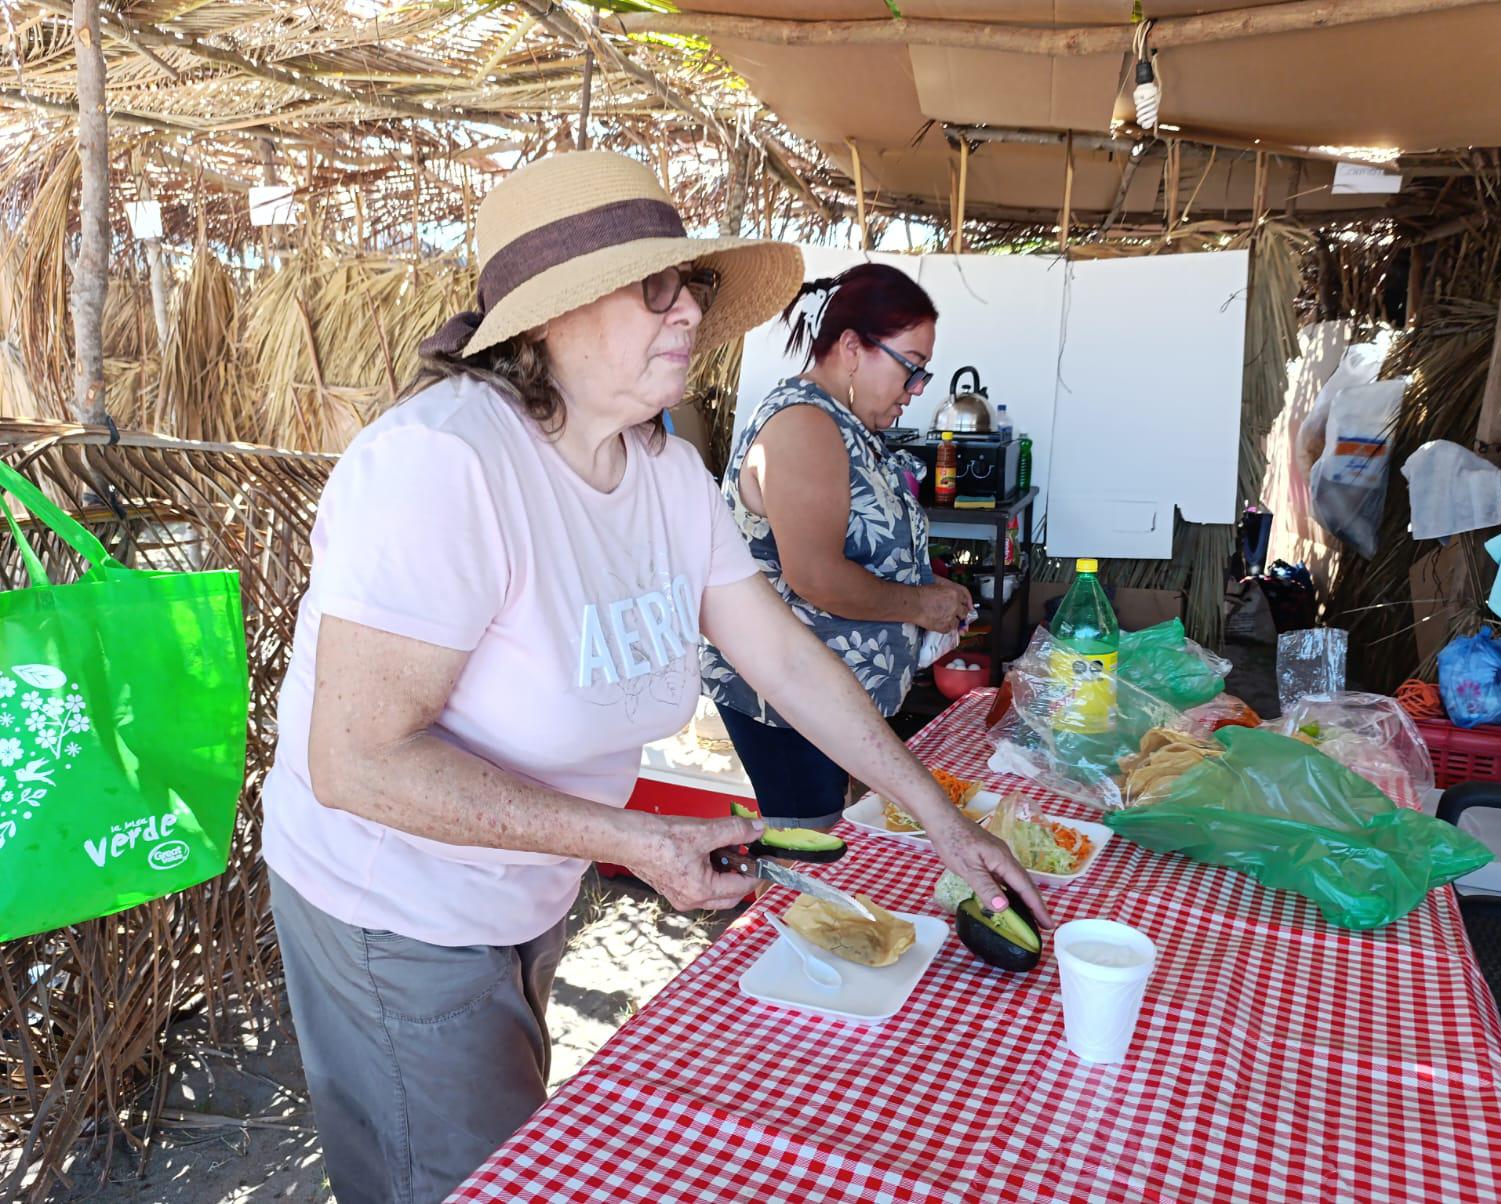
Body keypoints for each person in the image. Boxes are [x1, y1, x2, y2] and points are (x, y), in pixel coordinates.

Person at [260, 152, 1047, 1204]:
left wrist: (938, 817)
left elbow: (778, 652)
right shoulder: (444, 463)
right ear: (547, 318)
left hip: (524, 880)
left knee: (501, 1146)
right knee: (456, 1179)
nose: (687, 312)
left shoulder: (665, 469)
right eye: (654, 288)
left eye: (690, 287)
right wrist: (633, 841)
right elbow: (359, 760)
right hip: (395, 902)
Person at [702, 265, 972, 829]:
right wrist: (922, 605)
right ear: (852, 347)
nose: (916, 390)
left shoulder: (843, 423)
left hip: (828, 702)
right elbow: (815, 575)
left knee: (832, 845)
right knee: (811, 852)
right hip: (788, 702)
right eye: (912, 369)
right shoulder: (803, 424)